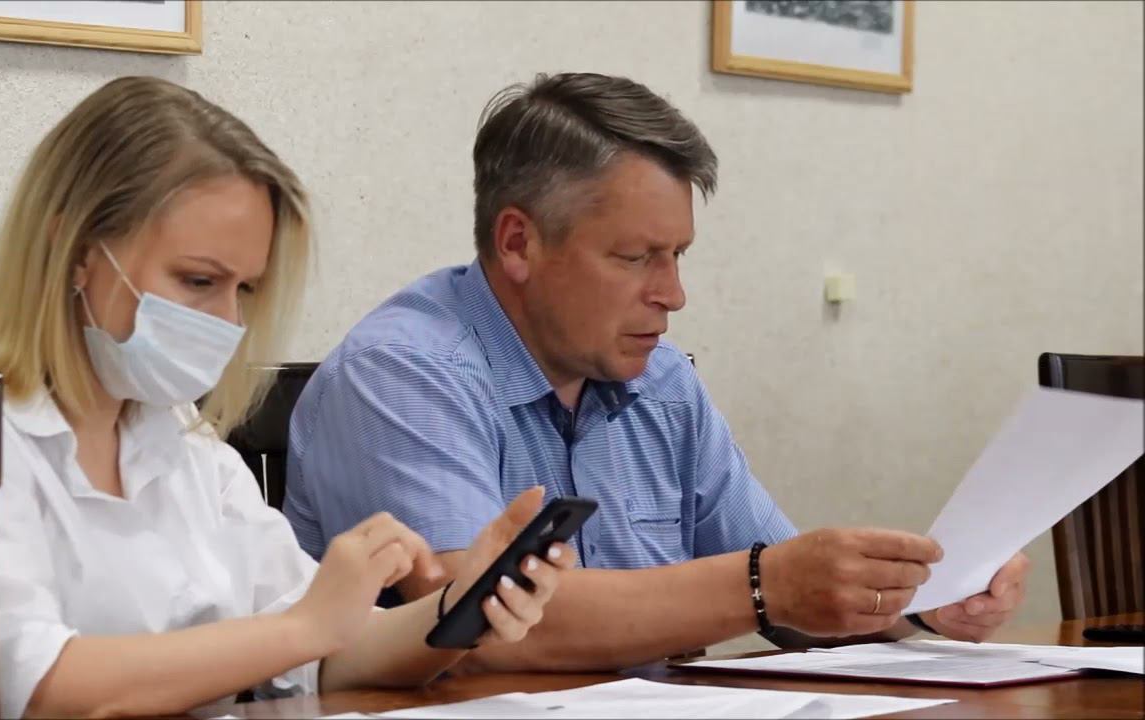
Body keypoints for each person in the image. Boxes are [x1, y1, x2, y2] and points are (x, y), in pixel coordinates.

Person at [283, 72, 1031, 673]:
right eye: (636, 257)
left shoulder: (661, 379)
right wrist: (767, 584)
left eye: (678, 256)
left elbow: (792, 601)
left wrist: (912, 606)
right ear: (517, 243)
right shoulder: (403, 373)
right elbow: (487, 626)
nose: (673, 294)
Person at [0, 76, 574, 718]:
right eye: (199, 281)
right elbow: (35, 686)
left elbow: (329, 653)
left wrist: (464, 603)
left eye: (244, 289)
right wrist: (304, 629)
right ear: (75, 247)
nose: (227, 321)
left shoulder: (183, 441)